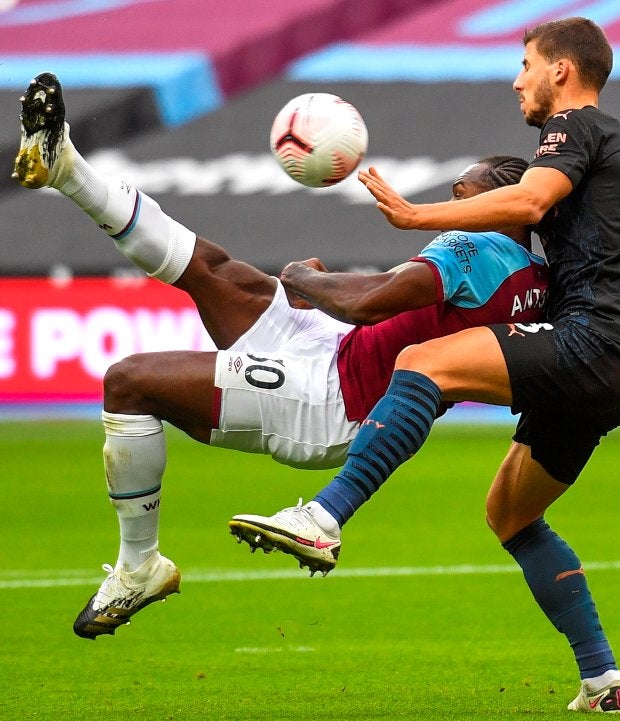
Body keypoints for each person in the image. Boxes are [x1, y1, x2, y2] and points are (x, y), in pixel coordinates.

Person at [12, 73, 549, 640]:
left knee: (127, 383)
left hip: (330, 400)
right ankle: (66, 166)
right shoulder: (534, 278)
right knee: (212, 269)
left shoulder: (476, 245)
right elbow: (388, 301)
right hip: (334, 350)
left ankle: (137, 565)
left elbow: (365, 304)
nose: (448, 206)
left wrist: (304, 278)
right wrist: (324, 291)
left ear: (501, 201)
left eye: (461, 194)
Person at [229, 17, 620, 714]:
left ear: (560, 72)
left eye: (525, 64)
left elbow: (529, 198)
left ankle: (324, 518)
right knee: (511, 514)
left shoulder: (578, 126)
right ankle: (603, 679)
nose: (517, 79)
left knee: (423, 360)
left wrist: (414, 214)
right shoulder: (611, 153)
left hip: (595, 340)